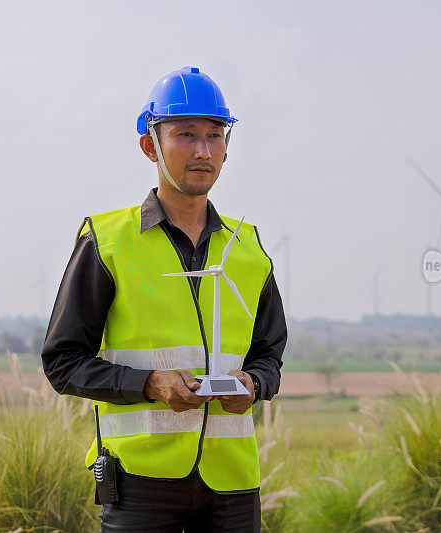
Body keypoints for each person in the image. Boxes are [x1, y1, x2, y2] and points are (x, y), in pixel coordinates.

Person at [41, 66, 287, 532]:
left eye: (216, 135)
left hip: (233, 486)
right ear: (149, 145)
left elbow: (269, 354)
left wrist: (254, 384)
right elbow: (63, 362)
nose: (203, 150)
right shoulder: (107, 241)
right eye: (186, 134)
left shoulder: (249, 248)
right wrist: (150, 383)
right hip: (139, 486)